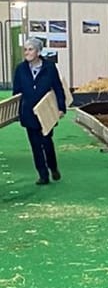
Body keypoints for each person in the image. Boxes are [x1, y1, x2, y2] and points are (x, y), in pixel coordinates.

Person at [13, 37, 66, 186]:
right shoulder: (20, 69)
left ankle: (53, 167)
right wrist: (17, 112)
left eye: (30, 49)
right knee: (35, 145)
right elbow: (16, 93)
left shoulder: (49, 67)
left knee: (46, 142)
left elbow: (58, 88)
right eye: (25, 50)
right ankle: (43, 175)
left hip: (45, 112)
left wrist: (61, 108)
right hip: (29, 113)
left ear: (38, 51)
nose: (27, 52)